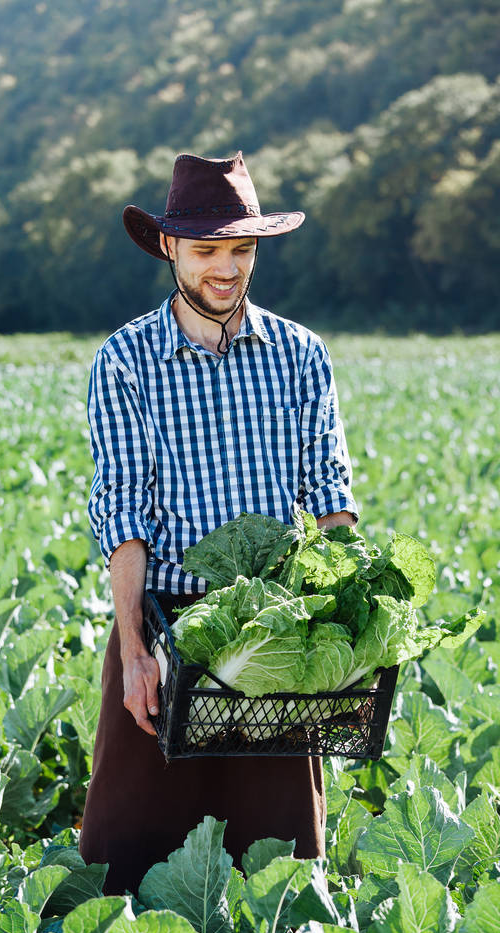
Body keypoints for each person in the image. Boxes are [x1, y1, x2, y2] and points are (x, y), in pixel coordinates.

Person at [79, 151, 357, 895]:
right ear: (170, 247)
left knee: (277, 872)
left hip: (273, 634)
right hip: (168, 630)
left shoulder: (300, 356)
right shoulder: (127, 361)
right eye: (207, 249)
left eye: (241, 249)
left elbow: (330, 496)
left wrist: (353, 622)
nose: (226, 268)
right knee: (124, 863)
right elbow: (124, 513)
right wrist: (134, 648)